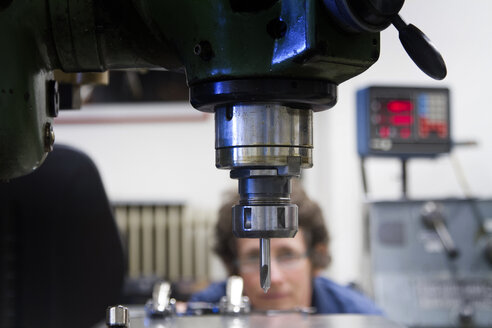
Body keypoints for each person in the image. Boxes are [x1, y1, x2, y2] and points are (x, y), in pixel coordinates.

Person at [188, 179, 383, 314]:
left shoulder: (356, 315)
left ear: (316, 258)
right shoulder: (204, 311)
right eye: (254, 258)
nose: (273, 278)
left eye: (288, 255)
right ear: (232, 266)